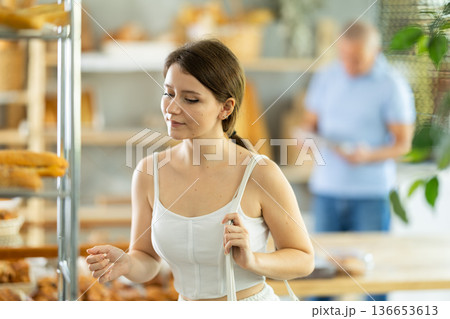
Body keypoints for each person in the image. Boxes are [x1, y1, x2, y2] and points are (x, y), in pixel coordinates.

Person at [86, 39, 314, 301]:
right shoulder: (149, 172)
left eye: (190, 99)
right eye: (168, 93)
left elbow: (303, 259)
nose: (172, 108)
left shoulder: (260, 174)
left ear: (225, 108)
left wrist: (253, 260)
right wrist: (127, 264)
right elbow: (146, 258)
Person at [301, 21, 415, 301]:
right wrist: (304, 137)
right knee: (320, 273)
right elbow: (309, 125)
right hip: (327, 190)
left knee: (373, 280)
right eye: (344, 56)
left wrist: (368, 155)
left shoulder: (392, 85)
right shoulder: (326, 77)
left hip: (370, 194)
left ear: (375, 51)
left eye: (357, 58)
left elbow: (403, 144)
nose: (349, 64)